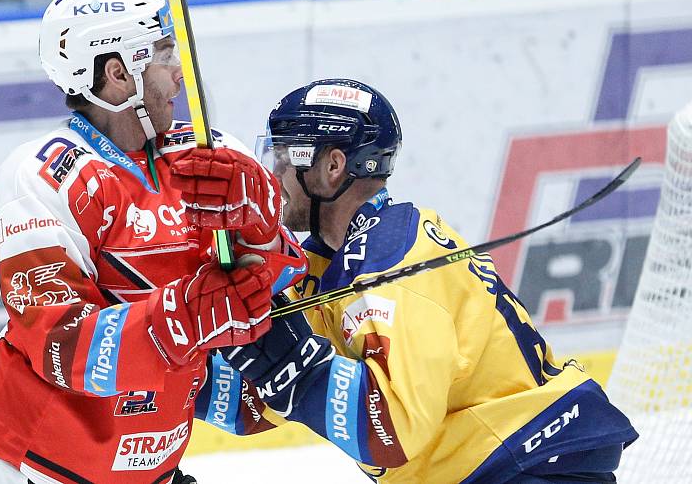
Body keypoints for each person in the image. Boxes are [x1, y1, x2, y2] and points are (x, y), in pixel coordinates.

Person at [0, 0, 306, 484]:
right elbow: (60, 346)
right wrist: (184, 316)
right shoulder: (42, 175)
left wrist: (261, 229)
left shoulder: (212, 156)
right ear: (119, 73)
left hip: (151, 469)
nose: (179, 77)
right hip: (29, 467)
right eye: (161, 55)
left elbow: (270, 290)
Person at [208, 78, 639, 483]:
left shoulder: (393, 260)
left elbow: (391, 430)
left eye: (283, 156)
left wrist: (293, 367)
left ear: (332, 166)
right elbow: (255, 403)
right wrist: (167, 368)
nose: (272, 174)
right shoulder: (331, 262)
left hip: (529, 463)